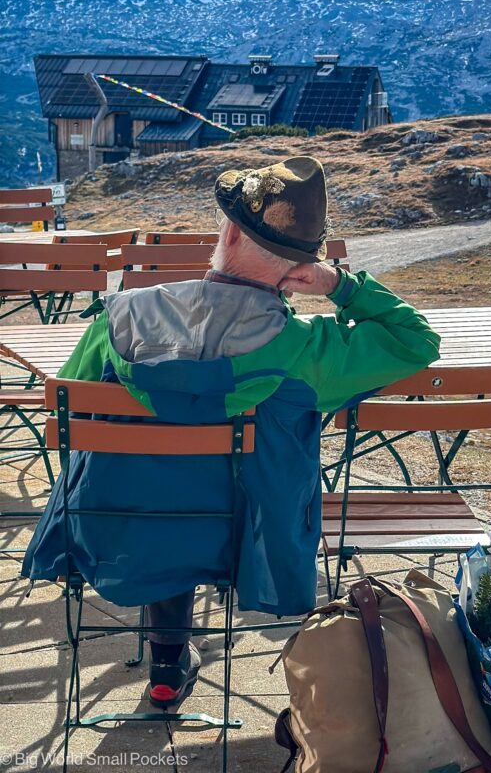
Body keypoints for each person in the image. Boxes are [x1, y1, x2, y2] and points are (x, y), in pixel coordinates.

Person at [23, 156, 440, 706]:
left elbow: (70, 418)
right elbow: (417, 342)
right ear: (299, 264)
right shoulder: (307, 350)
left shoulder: (119, 320)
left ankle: (167, 661)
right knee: (207, 503)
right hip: (245, 541)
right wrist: (340, 286)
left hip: (119, 527)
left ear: (230, 230)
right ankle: (179, 658)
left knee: (166, 498)